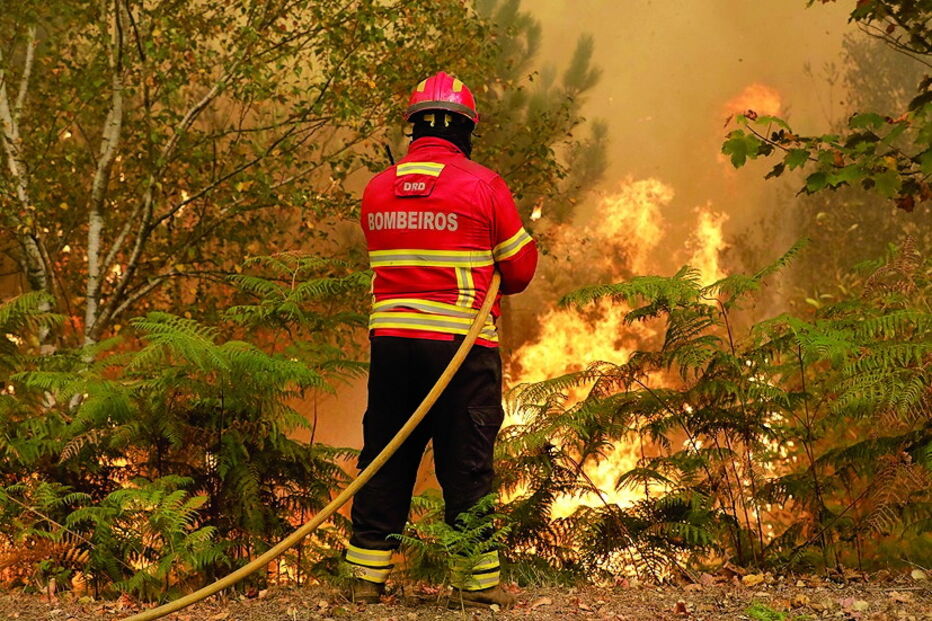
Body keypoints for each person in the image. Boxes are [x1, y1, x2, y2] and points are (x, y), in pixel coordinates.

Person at [341, 71, 538, 609]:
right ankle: (476, 587)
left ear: (413, 128)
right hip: (460, 349)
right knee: (465, 463)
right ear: (466, 129)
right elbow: (519, 271)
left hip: (392, 345)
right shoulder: (483, 185)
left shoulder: (378, 188)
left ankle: (365, 580)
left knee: (385, 456)